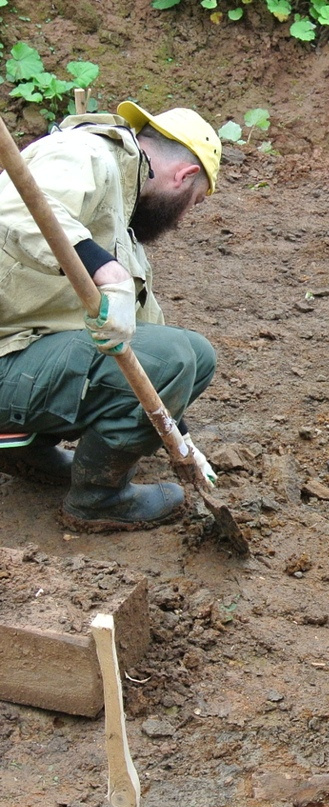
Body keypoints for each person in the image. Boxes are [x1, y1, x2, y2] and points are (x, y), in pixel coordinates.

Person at [0, 100, 221, 529]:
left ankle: (26, 453)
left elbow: (149, 338)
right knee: (175, 356)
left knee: (195, 355)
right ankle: (99, 501)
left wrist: (182, 434)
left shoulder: (121, 215)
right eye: (193, 203)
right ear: (185, 176)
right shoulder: (85, 153)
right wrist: (108, 273)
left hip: (17, 347)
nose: (182, 218)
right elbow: (14, 205)